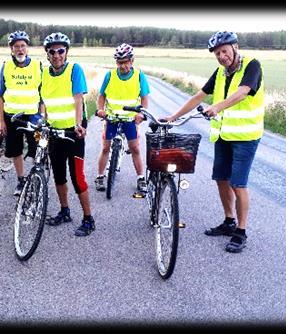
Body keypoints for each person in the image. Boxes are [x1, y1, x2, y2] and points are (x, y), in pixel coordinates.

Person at [163, 31, 264, 253]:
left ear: (235, 47)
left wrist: (217, 107)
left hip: (246, 138)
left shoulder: (252, 66)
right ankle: (229, 221)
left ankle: (241, 231)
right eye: (217, 53)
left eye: (224, 51)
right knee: (221, 179)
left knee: (238, 184)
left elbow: (243, 92)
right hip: (223, 136)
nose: (221, 56)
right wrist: (173, 117)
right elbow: (198, 96)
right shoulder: (219, 73)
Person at [40, 32, 95, 237]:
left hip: (73, 131)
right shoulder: (44, 74)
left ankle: (88, 219)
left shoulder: (74, 69)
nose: (56, 55)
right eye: (52, 51)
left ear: (66, 52)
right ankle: (64, 211)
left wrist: (78, 124)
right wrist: (41, 119)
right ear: (47, 54)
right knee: (59, 174)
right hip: (53, 131)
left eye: (60, 51)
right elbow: (43, 102)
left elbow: (78, 99)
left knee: (77, 177)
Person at [94, 43, 150, 194]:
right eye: (119, 62)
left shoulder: (139, 76)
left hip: (130, 120)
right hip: (111, 117)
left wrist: (142, 114)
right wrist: (100, 110)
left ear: (132, 61)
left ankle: (141, 178)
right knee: (105, 147)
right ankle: (100, 176)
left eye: (125, 61)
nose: (122, 65)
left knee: (135, 148)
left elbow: (144, 98)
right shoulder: (110, 75)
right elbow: (101, 96)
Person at [0, 30, 43, 196]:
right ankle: (21, 179)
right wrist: (1, 121)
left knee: (39, 147)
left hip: (34, 118)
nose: (20, 49)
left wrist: (42, 117)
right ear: (11, 49)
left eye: (23, 46)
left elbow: (43, 94)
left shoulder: (38, 66)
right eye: (16, 46)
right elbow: (0, 95)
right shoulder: (6, 66)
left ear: (28, 48)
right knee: (15, 151)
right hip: (12, 118)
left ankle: (38, 177)